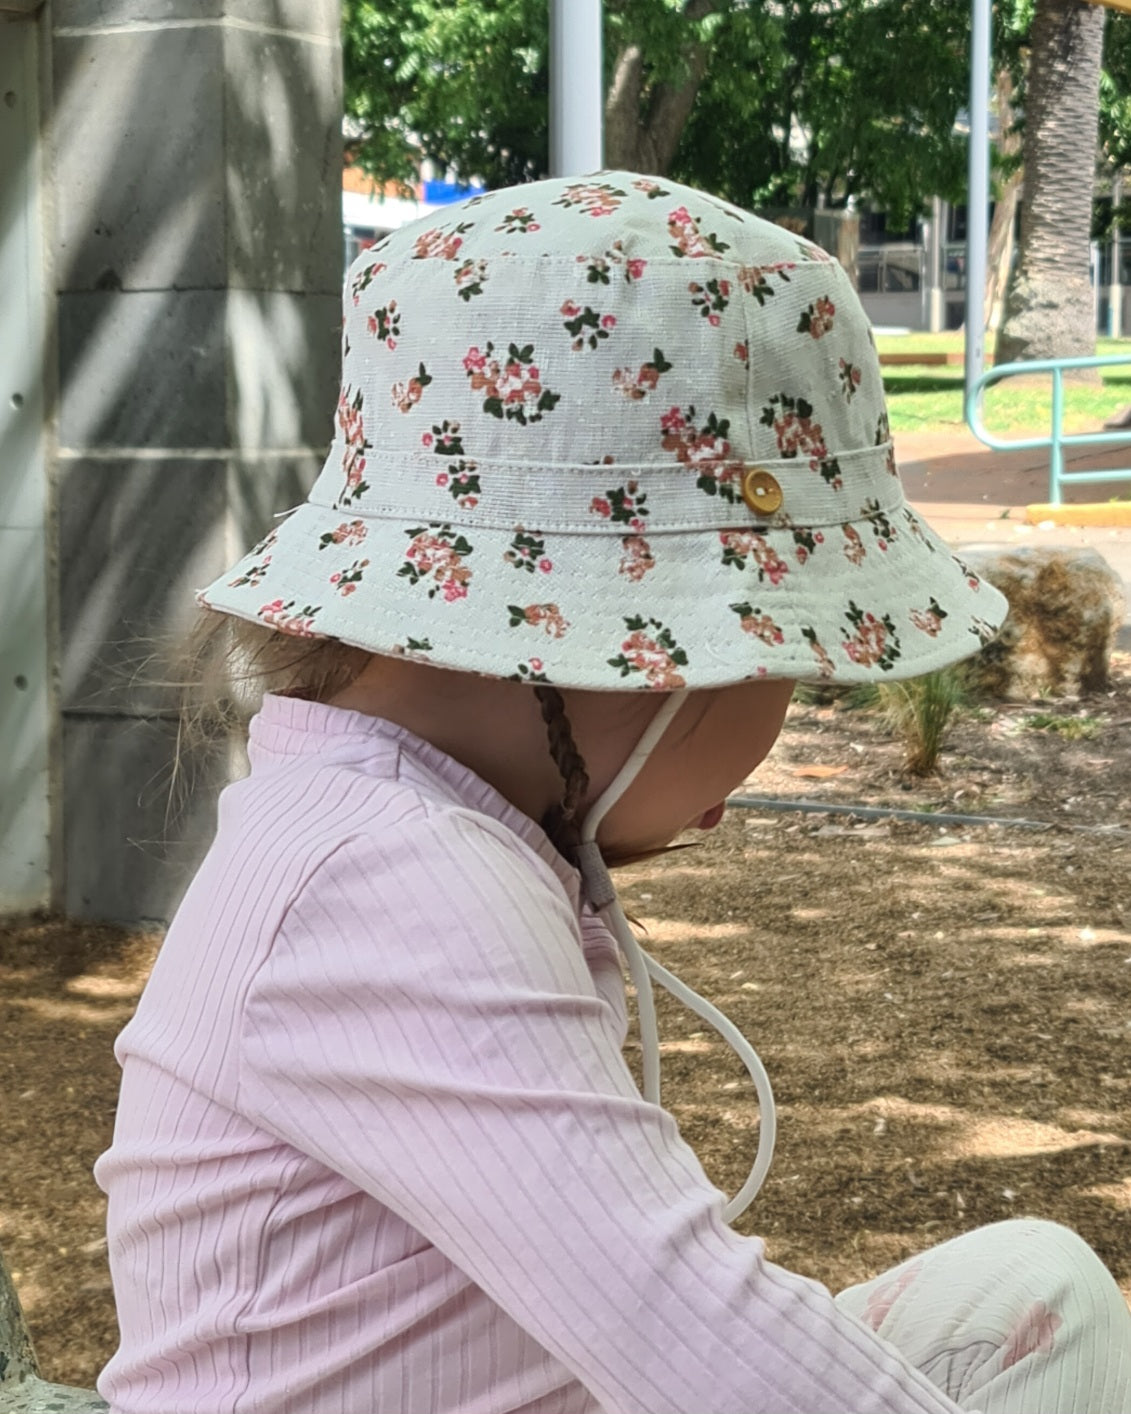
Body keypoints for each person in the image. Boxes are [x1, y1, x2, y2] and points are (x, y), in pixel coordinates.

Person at [94, 171, 1131, 1414]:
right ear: (652, 651)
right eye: (791, 661)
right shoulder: (387, 879)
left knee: (1035, 1293)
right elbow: (710, 1347)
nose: (762, 747)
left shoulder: (384, 823)